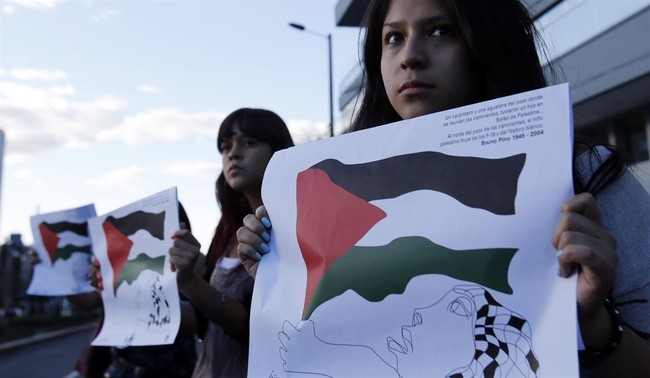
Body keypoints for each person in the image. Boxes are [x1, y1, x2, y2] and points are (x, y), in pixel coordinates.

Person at [236, 0, 650, 376]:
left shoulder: (583, 175)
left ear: (486, 43)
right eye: (393, 38)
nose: (410, 57)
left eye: (440, 31)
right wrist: (280, 271)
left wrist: (593, 323)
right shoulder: (336, 201)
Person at [168, 108, 294, 377]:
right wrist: (129, 293)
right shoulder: (226, 233)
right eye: (225, 147)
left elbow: (251, 326)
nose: (233, 154)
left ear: (279, 151)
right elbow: (207, 323)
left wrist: (191, 281)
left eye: (249, 142)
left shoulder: (295, 228)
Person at [27, 202, 197, 378]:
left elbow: (206, 321)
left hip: (171, 371)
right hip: (123, 369)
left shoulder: (196, 265)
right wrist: (52, 269)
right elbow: (86, 302)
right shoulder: (126, 264)